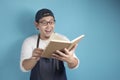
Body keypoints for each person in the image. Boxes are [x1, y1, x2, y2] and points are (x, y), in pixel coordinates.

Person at [20, 8, 79, 80]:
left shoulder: (63, 39)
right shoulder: (29, 41)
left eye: (51, 22)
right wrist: (33, 59)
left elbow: (74, 65)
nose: (48, 26)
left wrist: (70, 60)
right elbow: (24, 68)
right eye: (44, 23)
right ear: (37, 25)